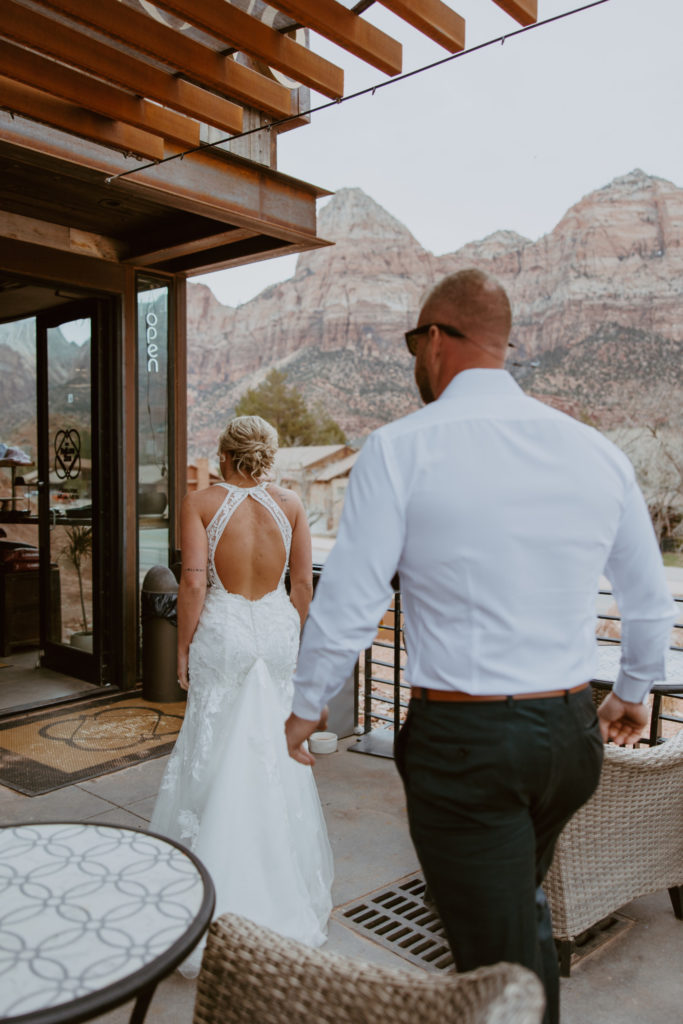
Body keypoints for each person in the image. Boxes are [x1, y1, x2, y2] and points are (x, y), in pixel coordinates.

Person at [285, 270, 676, 1023]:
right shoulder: (594, 452)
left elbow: (350, 602)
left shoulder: (399, 448)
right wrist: (630, 693)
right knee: (508, 909)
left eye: (411, 342)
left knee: (496, 969)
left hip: (466, 745)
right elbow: (648, 600)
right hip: (568, 739)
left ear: (434, 340)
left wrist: (306, 704)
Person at [150, 415, 333, 977]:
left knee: (213, 742)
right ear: (266, 456)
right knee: (274, 750)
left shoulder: (201, 503)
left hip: (226, 633)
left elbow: (194, 582)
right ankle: (279, 883)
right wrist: (297, 646)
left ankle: (208, 887)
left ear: (225, 455)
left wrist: (182, 647)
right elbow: (302, 586)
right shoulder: (292, 505)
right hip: (276, 630)